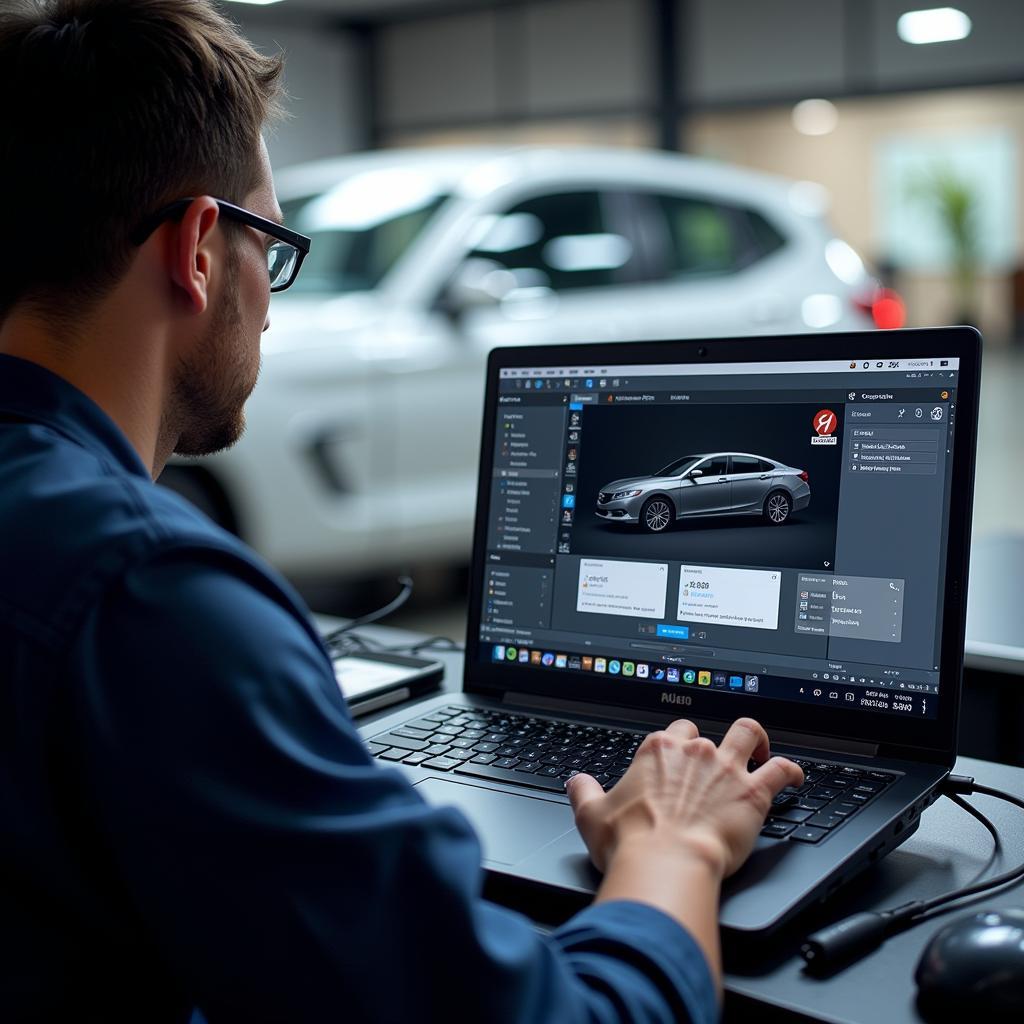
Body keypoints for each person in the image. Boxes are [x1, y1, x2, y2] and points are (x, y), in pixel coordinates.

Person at [0, 2, 804, 1021]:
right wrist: (674, 842)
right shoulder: (148, 596)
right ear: (201, 249)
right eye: (273, 243)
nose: (275, 294)